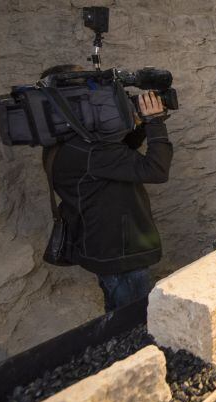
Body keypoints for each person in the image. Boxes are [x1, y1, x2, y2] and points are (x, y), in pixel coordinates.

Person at [45, 65, 173, 312]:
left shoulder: (68, 142)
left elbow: (120, 155)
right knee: (134, 320)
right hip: (119, 252)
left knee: (117, 315)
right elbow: (156, 170)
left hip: (104, 246)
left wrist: (144, 123)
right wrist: (155, 123)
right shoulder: (90, 151)